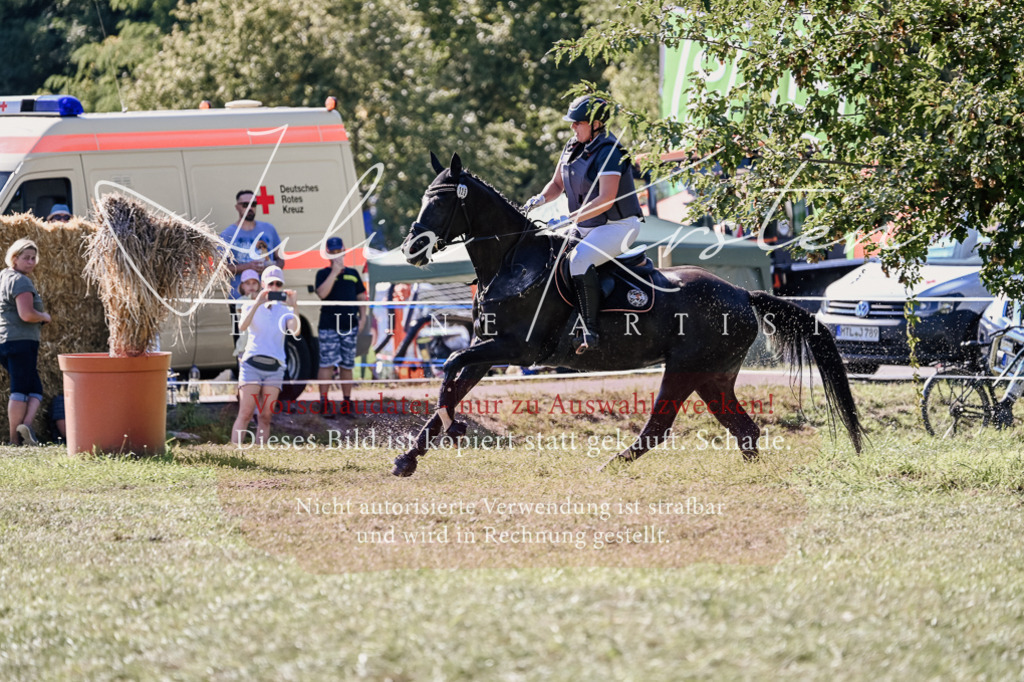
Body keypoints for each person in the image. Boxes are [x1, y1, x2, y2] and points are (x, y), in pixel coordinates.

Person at [523, 95, 644, 354]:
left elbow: (605, 200)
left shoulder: (611, 152)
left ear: (596, 123)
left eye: (577, 123)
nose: (572, 127)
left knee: (578, 260)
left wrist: (569, 219)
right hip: (587, 224)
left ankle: (590, 330)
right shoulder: (572, 146)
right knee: (548, 251)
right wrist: (540, 199)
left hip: (619, 226)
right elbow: (556, 184)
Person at [230, 266, 299, 446]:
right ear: (263, 285)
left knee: (266, 416)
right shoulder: (248, 304)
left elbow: (295, 330)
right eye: (271, 284)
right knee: (245, 413)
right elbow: (242, 327)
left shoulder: (284, 310)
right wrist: (257, 303)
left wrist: (295, 306)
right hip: (251, 364)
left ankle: (262, 453)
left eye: (278, 284)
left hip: (275, 367)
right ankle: (234, 453)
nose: (274, 287)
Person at [1, 239, 52, 445]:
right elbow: (27, 314)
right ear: (14, 258)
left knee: (35, 388)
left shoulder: (3, 277)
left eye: (33, 258)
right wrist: (44, 316)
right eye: (26, 258)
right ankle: (15, 439)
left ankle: (26, 427)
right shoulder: (21, 281)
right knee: (20, 389)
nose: (31, 262)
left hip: (5, 341)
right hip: (21, 341)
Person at [220, 189, 284, 342]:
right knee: (243, 343)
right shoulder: (227, 235)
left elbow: (281, 260)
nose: (250, 208)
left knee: (269, 340)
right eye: (245, 204)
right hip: (240, 300)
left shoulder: (269, 229)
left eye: (253, 204)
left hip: (267, 297)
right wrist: (247, 266)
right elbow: (221, 270)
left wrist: (270, 267)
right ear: (237, 207)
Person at [315, 237, 367, 416]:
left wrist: (363, 319)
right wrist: (334, 272)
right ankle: (324, 402)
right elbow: (322, 294)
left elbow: (362, 297)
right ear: (328, 254)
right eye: (333, 252)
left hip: (349, 325)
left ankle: (346, 402)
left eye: (339, 251)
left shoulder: (353, 273)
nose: (337, 255)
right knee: (327, 364)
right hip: (329, 325)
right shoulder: (322, 274)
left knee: (347, 365)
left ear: (344, 251)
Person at [232, 269, 262, 359]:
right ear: (242, 286)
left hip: (258, 347)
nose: (251, 286)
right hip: (244, 348)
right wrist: (254, 299)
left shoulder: (262, 301)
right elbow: (242, 310)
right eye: (248, 283)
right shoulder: (240, 301)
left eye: (254, 283)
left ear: (258, 285)